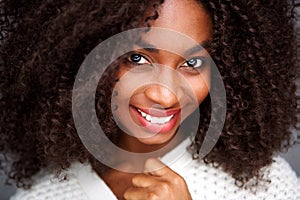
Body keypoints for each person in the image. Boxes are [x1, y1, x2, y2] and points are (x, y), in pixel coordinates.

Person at [0, 0, 299, 199]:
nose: (164, 93)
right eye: (137, 58)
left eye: (192, 64)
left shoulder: (265, 185)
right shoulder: (43, 196)